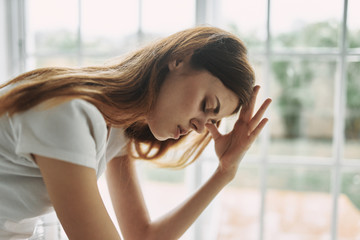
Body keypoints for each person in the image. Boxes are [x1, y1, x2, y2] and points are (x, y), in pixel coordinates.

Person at [0, 26, 271, 239]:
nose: (200, 127)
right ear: (178, 59)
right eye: (207, 106)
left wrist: (225, 171)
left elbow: (142, 236)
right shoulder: (70, 115)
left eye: (213, 120)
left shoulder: (116, 129)